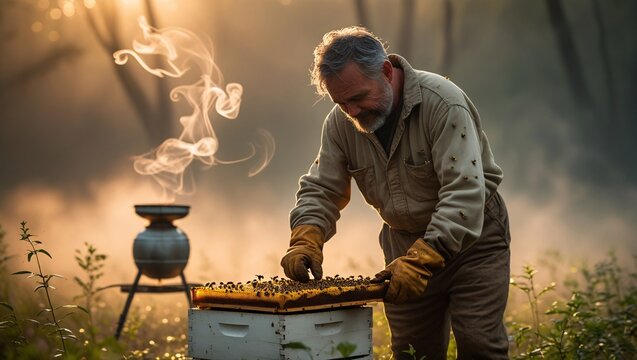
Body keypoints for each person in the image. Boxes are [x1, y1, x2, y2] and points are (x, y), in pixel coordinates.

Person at [280, 26, 511, 360]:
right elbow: (322, 188)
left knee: (479, 346)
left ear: (387, 71)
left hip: (473, 242)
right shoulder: (340, 122)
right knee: (412, 352)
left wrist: (423, 261)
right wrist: (305, 238)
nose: (353, 112)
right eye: (342, 103)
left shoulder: (444, 104)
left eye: (358, 98)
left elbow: (464, 192)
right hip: (402, 243)